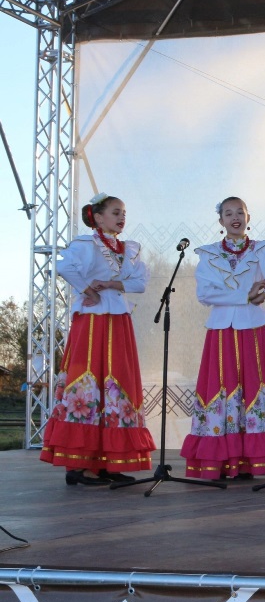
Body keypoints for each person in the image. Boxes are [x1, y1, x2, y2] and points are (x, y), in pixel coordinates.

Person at [180, 197, 265, 480]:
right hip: (222, 330)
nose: (235, 217)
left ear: (248, 217)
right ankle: (225, 459)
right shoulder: (210, 254)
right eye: (229, 213)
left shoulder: (262, 249)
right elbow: (205, 294)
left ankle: (251, 459)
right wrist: (245, 295)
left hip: (253, 326)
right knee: (222, 386)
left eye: (240, 212)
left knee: (254, 385)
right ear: (221, 221)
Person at [40, 193, 156, 485]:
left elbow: (140, 282)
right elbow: (64, 267)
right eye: (116, 212)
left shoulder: (128, 249)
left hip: (118, 318)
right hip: (93, 321)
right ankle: (80, 465)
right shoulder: (86, 244)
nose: (121, 217)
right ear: (99, 217)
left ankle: (105, 462)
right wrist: (88, 290)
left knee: (115, 383)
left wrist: (109, 283)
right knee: (88, 382)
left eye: (124, 213)